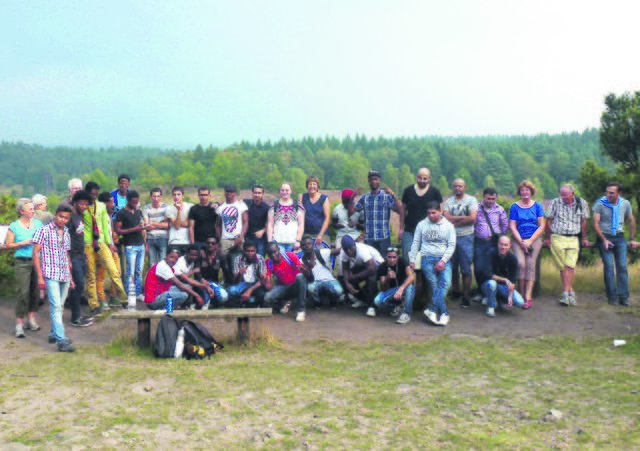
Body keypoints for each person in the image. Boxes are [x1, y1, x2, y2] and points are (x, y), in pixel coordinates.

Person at [32, 205, 76, 352]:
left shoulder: (67, 232)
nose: (63, 220)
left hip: (64, 273)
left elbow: (66, 255)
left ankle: (53, 334)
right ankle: (61, 341)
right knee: (56, 306)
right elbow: (35, 254)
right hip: (50, 274)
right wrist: (40, 276)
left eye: (66, 218)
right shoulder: (43, 231)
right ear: (55, 215)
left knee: (60, 306)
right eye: (61, 216)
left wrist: (70, 278)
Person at [84, 181, 128, 314]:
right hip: (87, 244)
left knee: (114, 271)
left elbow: (105, 226)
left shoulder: (101, 207)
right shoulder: (82, 207)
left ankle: (123, 298)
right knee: (91, 275)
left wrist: (109, 244)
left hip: (102, 242)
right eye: (92, 194)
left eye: (96, 194)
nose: (94, 196)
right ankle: (94, 304)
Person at [410, 201, 456, 326]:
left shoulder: (448, 226)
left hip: (443, 258)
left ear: (440, 212)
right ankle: (444, 313)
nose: (431, 215)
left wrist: (443, 261)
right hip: (427, 258)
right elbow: (416, 242)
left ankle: (432, 309)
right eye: (429, 213)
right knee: (434, 285)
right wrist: (412, 259)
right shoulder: (422, 225)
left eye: (434, 213)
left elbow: (451, 245)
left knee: (445, 283)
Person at [544, 184, 591, 306]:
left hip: (574, 237)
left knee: (570, 265)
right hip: (558, 236)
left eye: (566, 195)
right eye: (562, 195)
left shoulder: (581, 203)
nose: (563, 197)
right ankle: (569, 292)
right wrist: (548, 238)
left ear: (573, 194)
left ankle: (567, 292)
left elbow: (584, 221)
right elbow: (548, 220)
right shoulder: (555, 202)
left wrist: (585, 237)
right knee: (563, 266)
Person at [593, 182, 638, 306]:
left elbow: (631, 220)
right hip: (605, 236)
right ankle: (612, 297)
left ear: (619, 193)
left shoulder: (625, 204)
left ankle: (624, 297)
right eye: (607, 192)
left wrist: (632, 238)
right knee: (609, 266)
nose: (608, 195)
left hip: (619, 236)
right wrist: (603, 239)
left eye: (612, 193)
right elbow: (596, 223)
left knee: (622, 267)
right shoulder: (600, 204)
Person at [5, 198, 44, 338]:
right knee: (22, 293)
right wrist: (23, 243)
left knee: (34, 292)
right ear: (22, 211)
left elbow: (44, 240)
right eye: (30, 209)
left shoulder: (38, 224)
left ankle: (31, 319)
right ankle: (19, 324)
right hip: (22, 261)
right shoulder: (14, 226)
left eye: (33, 209)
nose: (33, 211)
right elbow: (8, 244)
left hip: (37, 261)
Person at [508, 180, 545, 309]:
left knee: (530, 264)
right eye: (523, 190)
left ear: (531, 192)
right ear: (519, 192)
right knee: (520, 264)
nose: (525, 192)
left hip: (534, 239)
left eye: (527, 190)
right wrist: (521, 242)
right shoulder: (514, 206)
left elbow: (542, 226)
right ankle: (520, 294)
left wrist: (530, 241)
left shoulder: (537, 206)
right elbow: (512, 226)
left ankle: (527, 297)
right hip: (518, 239)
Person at [443, 178, 477, 308]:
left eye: (460, 186)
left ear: (465, 187)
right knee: (452, 266)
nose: (458, 188)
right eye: (456, 186)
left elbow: (473, 218)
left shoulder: (471, 200)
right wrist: (463, 218)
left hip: (466, 237)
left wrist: (454, 220)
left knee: (466, 267)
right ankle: (456, 290)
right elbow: (446, 218)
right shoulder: (449, 201)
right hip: (450, 238)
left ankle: (466, 295)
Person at [352, 169, 403, 255]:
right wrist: (352, 197)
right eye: (371, 179)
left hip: (384, 238)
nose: (373, 181)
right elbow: (353, 211)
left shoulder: (386, 197)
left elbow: (400, 210)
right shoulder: (365, 198)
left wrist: (393, 195)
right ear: (368, 181)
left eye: (376, 179)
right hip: (369, 239)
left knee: (384, 264)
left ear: (379, 180)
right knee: (371, 265)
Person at [399, 167, 443, 259]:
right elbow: (403, 210)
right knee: (407, 258)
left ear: (429, 178)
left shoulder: (435, 192)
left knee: (425, 260)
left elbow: (440, 211)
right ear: (416, 177)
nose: (422, 181)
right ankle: (409, 273)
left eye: (425, 178)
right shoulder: (408, 191)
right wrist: (400, 228)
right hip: (409, 230)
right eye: (420, 178)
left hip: (429, 231)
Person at [473, 188, 508, 300]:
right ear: (483, 197)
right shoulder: (476, 208)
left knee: (490, 269)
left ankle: (488, 294)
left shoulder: (499, 209)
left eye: (493, 199)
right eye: (488, 198)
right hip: (478, 242)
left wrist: (500, 237)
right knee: (478, 268)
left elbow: (504, 224)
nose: (491, 201)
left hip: (493, 242)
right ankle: (480, 291)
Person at [115, 190, 147, 309]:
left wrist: (145, 244)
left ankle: (138, 293)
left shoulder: (138, 211)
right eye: (134, 202)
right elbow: (118, 231)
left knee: (139, 271)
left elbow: (141, 229)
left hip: (140, 245)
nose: (136, 204)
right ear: (128, 200)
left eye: (137, 202)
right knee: (130, 272)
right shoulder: (121, 213)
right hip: (130, 246)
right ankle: (129, 294)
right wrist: (134, 229)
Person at [480, 235, 526, 317]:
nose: (503, 247)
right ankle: (491, 306)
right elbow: (488, 274)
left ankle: (501, 300)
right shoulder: (490, 254)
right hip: (488, 284)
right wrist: (504, 279)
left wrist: (510, 297)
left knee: (520, 302)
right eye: (501, 244)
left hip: (503, 287)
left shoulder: (513, 259)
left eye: (506, 245)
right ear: (498, 244)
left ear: (510, 246)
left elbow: (513, 280)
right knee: (491, 284)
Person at [67, 190, 94, 327]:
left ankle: (77, 314)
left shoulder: (80, 217)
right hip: (72, 256)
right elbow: (65, 238)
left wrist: (84, 251)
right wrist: (67, 258)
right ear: (75, 202)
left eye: (86, 204)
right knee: (78, 285)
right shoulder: (70, 218)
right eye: (82, 203)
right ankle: (75, 318)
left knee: (79, 285)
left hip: (81, 255)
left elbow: (79, 236)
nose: (84, 206)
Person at [264, 241, 308, 322]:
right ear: (267, 254)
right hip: (284, 287)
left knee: (300, 276)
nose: (273, 255)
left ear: (279, 249)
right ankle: (285, 303)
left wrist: (305, 270)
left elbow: (301, 270)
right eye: (270, 254)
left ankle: (301, 310)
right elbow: (268, 279)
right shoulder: (268, 263)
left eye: (275, 252)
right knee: (267, 297)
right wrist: (268, 283)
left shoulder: (290, 256)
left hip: (296, 285)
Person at [340, 235, 384, 314]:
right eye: (346, 250)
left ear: (354, 245)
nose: (349, 251)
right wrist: (347, 283)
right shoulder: (344, 253)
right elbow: (345, 269)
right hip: (364, 266)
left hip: (378, 267)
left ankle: (372, 306)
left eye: (351, 248)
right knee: (346, 280)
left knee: (371, 281)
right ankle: (363, 300)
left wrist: (354, 277)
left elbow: (371, 269)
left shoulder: (362, 251)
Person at [174, 244, 225, 309]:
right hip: (173, 285)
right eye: (192, 255)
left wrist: (204, 285)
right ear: (187, 253)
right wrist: (193, 271)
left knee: (197, 285)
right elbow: (180, 278)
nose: (194, 257)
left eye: (196, 255)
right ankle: (185, 305)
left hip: (184, 282)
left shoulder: (192, 261)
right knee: (190, 286)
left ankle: (198, 304)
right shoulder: (180, 262)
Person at [372, 246, 415, 324]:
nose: (392, 260)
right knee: (377, 301)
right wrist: (387, 277)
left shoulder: (402, 262)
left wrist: (401, 288)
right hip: (392, 291)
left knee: (410, 287)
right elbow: (383, 289)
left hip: (403, 289)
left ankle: (406, 313)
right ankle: (397, 306)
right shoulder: (382, 267)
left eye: (394, 257)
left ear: (398, 257)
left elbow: (411, 276)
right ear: (386, 257)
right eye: (389, 257)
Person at [299, 236, 343, 309]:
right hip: (315, 282)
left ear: (313, 245)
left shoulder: (322, 252)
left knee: (338, 290)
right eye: (304, 245)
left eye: (309, 244)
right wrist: (309, 268)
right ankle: (318, 302)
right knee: (310, 287)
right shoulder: (301, 261)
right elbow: (309, 279)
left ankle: (333, 300)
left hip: (329, 280)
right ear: (301, 247)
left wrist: (350, 243)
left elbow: (338, 251)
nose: (307, 246)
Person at [97, 191, 125, 307]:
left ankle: (114, 297)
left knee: (117, 272)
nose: (113, 204)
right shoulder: (97, 216)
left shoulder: (109, 214)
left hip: (112, 247)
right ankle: (101, 300)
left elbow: (110, 230)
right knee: (101, 275)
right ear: (104, 203)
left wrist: (114, 236)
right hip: (102, 248)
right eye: (111, 202)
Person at [216, 184, 249, 279]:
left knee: (238, 261)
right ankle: (227, 281)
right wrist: (219, 240)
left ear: (234, 193)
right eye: (227, 192)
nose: (228, 194)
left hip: (237, 237)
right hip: (225, 239)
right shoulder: (220, 208)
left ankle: (239, 282)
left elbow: (245, 222)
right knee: (224, 262)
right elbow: (218, 225)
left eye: (231, 192)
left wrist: (241, 237)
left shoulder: (241, 205)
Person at [228, 240, 269, 307]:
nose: (250, 253)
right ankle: (240, 304)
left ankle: (254, 304)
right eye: (248, 251)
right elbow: (235, 281)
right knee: (232, 291)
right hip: (242, 283)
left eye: (252, 251)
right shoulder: (237, 259)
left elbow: (262, 279)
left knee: (262, 294)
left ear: (255, 251)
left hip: (255, 284)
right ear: (244, 251)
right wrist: (239, 274)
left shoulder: (260, 259)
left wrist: (250, 290)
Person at [267, 182, 305, 253]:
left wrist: (298, 240)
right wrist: (270, 241)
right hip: (277, 241)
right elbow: (270, 224)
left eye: (287, 190)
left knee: (291, 263)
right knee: (280, 263)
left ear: (291, 191)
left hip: (293, 242)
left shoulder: (298, 205)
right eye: (282, 190)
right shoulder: (273, 205)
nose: (285, 192)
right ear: (280, 191)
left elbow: (301, 224)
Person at [298, 176, 330, 247]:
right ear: (307, 186)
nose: (312, 186)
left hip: (321, 234)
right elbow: (300, 215)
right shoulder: (302, 197)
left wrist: (320, 234)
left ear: (317, 186)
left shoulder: (324, 198)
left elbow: (327, 217)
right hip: (306, 233)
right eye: (310, 184)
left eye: (314, 184)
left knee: (322, 255)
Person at [143, 187, 169, 266]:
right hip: (151, 239)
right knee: (152, 264)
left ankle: (162, 279)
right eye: (154, 196)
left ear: (161, 197)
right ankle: (153, 279)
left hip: (163, 238)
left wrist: (152, 223)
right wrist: (160, 224)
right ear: (151, 197)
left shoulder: (166, 207)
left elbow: (167, 225)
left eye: (158, 196)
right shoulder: (146, 208)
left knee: (163, 263)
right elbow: (147, 225)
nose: (156, 198)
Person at [244, 184, 270, 256]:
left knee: (260, 259)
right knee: (247, 258)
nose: (257, 195)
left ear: (262, 194)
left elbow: (270, 223)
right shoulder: (246, 203)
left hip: (260, 238)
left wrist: (263, 231)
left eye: (259, 193)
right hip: (248, 237)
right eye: (255, 192)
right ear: (252, 193)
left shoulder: (267, 207)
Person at [165, 186, 193, 254]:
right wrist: (179, 210)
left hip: (187, 241)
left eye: (178, 194)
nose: (176, 196)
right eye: (174, 195)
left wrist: (176, 222)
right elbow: (177, 226)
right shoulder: (169, 208)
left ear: (183, 196)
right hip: (174, 241)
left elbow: (189, 224)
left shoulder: (190, 206)